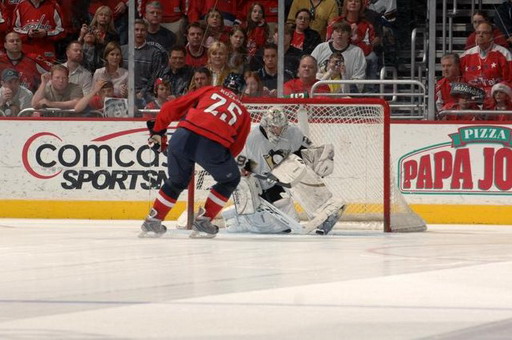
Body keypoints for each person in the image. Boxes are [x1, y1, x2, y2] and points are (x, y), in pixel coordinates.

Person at [139, 72, 251, 238]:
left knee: (177, 181)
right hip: (212, 146)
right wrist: (220, 163)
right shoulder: (244, 113)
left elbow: (171, 107)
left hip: (182, 137)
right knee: (231, 179)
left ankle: (153, 220)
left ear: (223, 84)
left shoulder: (210, 90)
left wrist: (158, 132)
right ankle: (204, 220)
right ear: (241, 93)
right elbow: (236, 147)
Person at [222, 106, 344, 235]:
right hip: (258, 182)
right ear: (266, 125)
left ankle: (323, 208)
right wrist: (245, 169)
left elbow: (309, 151)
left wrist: (321, 158)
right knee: (281, 227)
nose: (278, 131)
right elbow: (235, 158)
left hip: (276, 177)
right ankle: (240, 218)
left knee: (291, 165)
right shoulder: (252, 137)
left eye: (281, 127)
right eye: (274, 127)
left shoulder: (293, 132)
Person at [460, 21, 512, 105]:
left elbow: (510, 81)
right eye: (478, 33)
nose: (480, 35)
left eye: (484, 33)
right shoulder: (466, 56)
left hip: (496, 104)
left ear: (491, 36)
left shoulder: (503, 54)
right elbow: (460, 81)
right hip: (472, 104)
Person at [311, 20, 367, 93]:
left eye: (343, 32)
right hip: (320, 91)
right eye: (337, 31)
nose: (340, 34)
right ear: (332, 33)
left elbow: (358, 80)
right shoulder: (321, 48)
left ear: (349, 35)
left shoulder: (357, 52)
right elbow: (311, 70)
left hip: (346, 94)